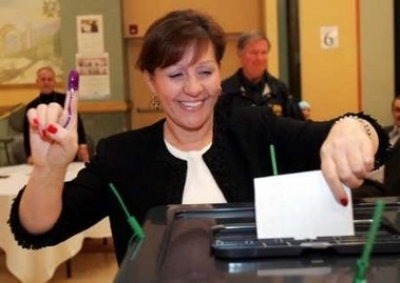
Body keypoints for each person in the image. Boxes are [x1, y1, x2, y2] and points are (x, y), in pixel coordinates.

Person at [9, 9, 389, 265]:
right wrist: (49, 168)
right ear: (151, 81)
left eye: (205, 72)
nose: (194, 89)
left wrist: (354, 129)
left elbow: (361, 131)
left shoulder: (256, 130)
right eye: (176, 75)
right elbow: (38, 231)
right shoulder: (122, 157)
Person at [221, 31, 304, 120]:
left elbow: (297, 127)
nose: (259, 58)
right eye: (254, 53)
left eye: (263, 53)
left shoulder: (279, 90)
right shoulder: (225, 91)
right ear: (240, 54)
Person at [22, 66, 90, 164]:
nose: (46, 82)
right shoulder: (31, 106)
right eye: (43, 79)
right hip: (42, 152)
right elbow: (27, 134)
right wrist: (29, 155)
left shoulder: (66, 100)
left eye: (49, 79)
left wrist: (82, 145)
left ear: (54, 82)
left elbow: (77, 123)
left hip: (66, 148)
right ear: (37, 82)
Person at [352, 95, 400, 199]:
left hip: (384, 188)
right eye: (397, 110)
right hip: (363, 180)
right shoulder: (382, 132)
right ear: (392, 112)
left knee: (347, 195)